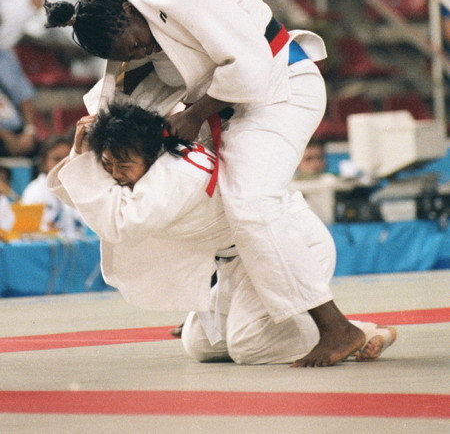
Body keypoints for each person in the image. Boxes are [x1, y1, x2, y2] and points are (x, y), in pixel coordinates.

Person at [44, 0, 382, 366]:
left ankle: (335, 326)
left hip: (282, 88)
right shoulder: (130, 32)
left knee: (250, 201)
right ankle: (213, 307)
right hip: (234, 109)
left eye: (134, 45)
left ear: (130, 12)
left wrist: (193, 115)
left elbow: (251, 67)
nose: (139, 53)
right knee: (204, 206)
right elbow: (125, 96)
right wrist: (99, 130)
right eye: (128, 54)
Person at [47, 102, 397, 366]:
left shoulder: (178, 176)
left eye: (123, 166)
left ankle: (353, 331)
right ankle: (324, 328)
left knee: (248, 346)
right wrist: (82, 155)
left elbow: (119, 222)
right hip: (239, 260)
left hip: (288, 244)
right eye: (107, 164)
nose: (115, 174)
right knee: (200, 345)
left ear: (152, 156)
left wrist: (84, 163)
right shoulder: (153, 163)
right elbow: (92, 197)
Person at [21, 133, 86, 237]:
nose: (63, 164)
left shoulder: (81, 188)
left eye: (68, 158)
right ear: (44, 162)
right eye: (57, 159)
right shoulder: (34, 191)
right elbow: (31, 233)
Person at [0, 48, 38, 157]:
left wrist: (29, 132)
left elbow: (24, 96)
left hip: (18, 132)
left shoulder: (4, 57)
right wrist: (6, 136)